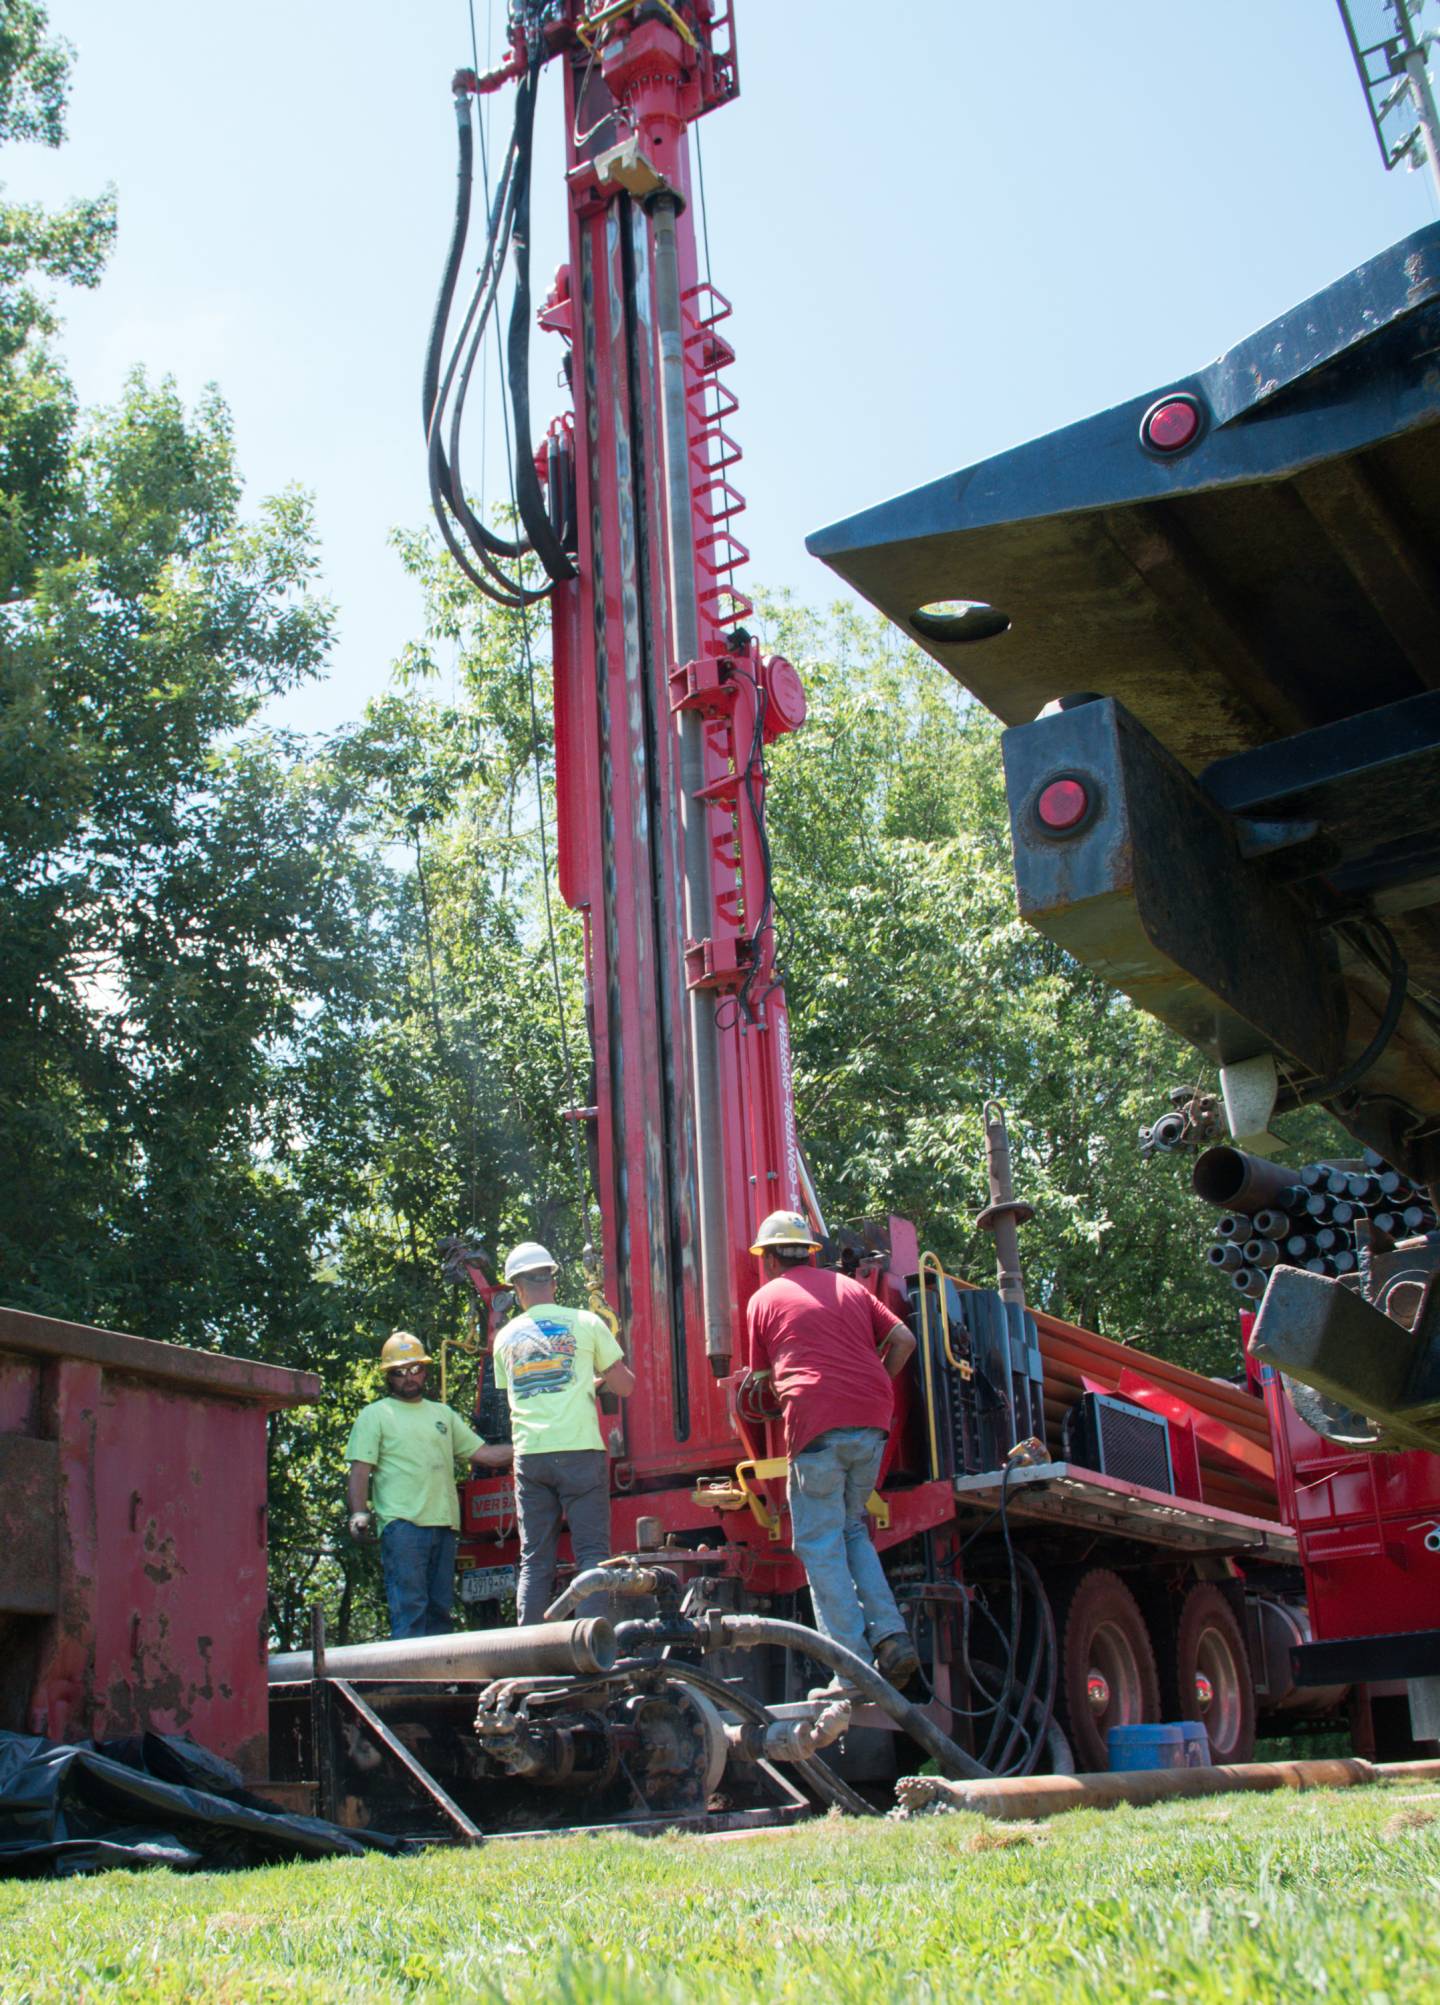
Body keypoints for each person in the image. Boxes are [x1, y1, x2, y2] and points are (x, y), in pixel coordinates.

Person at [744, 1210, 920, 1693]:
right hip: (873, 1420)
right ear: (810, 1251)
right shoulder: (850, 1288)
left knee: (818, 1545)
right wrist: (876, 1384)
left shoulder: (764, 1300)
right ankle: (890, 1635)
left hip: (817, 1427)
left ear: (770, 1257)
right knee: (850, 1529)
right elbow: (903, 1339)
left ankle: (853, 1669)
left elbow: (761, 1383)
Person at [492, 1241, 635, 1624]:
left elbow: (525, 1392)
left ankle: (530, 1655)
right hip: (579, 1452)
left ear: (517, 1289)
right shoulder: (587, 1323)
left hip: (531, 1457)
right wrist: (601, 1377)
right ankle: (592, 1648)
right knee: (591, 1554)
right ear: (552, 1281)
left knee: (534, 1558)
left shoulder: (504, 1339)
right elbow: (625, 1387)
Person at [345, 1330, 511, 1640]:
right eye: (399, 1372)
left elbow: (484, 1454)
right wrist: (359, 1512)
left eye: (415, 1369)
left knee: (439, 1612)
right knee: (410, 1610)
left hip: (444, 1527)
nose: (409, 1377)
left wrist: (534, 1444)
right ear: (388, 1377)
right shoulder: (376, 1415)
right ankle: (411, 1684)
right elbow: (359, 1470)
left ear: (425, 1371)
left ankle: (439, 1683)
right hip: (403, 1527)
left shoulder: (442, 1415)